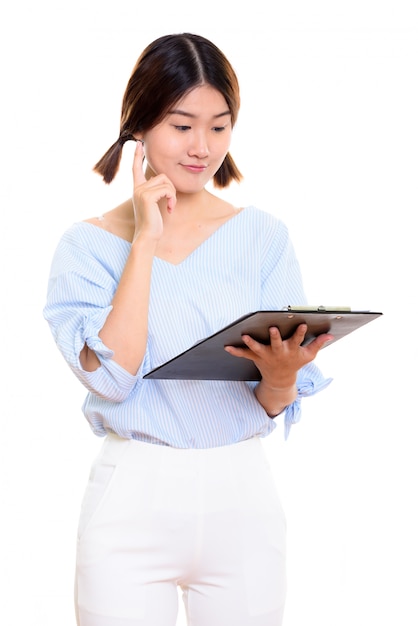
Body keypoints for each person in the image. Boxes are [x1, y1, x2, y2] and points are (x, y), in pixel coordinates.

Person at [43, 32, 333, 626]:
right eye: (182, 126)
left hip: (242, 493)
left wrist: (280, 379)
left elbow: (274, 401)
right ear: (140, 126)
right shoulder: (86, 247)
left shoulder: (262, 237)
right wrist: (146, 240)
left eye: (220, 126)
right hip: (133, 494)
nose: (203, 147)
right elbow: (115, 378)